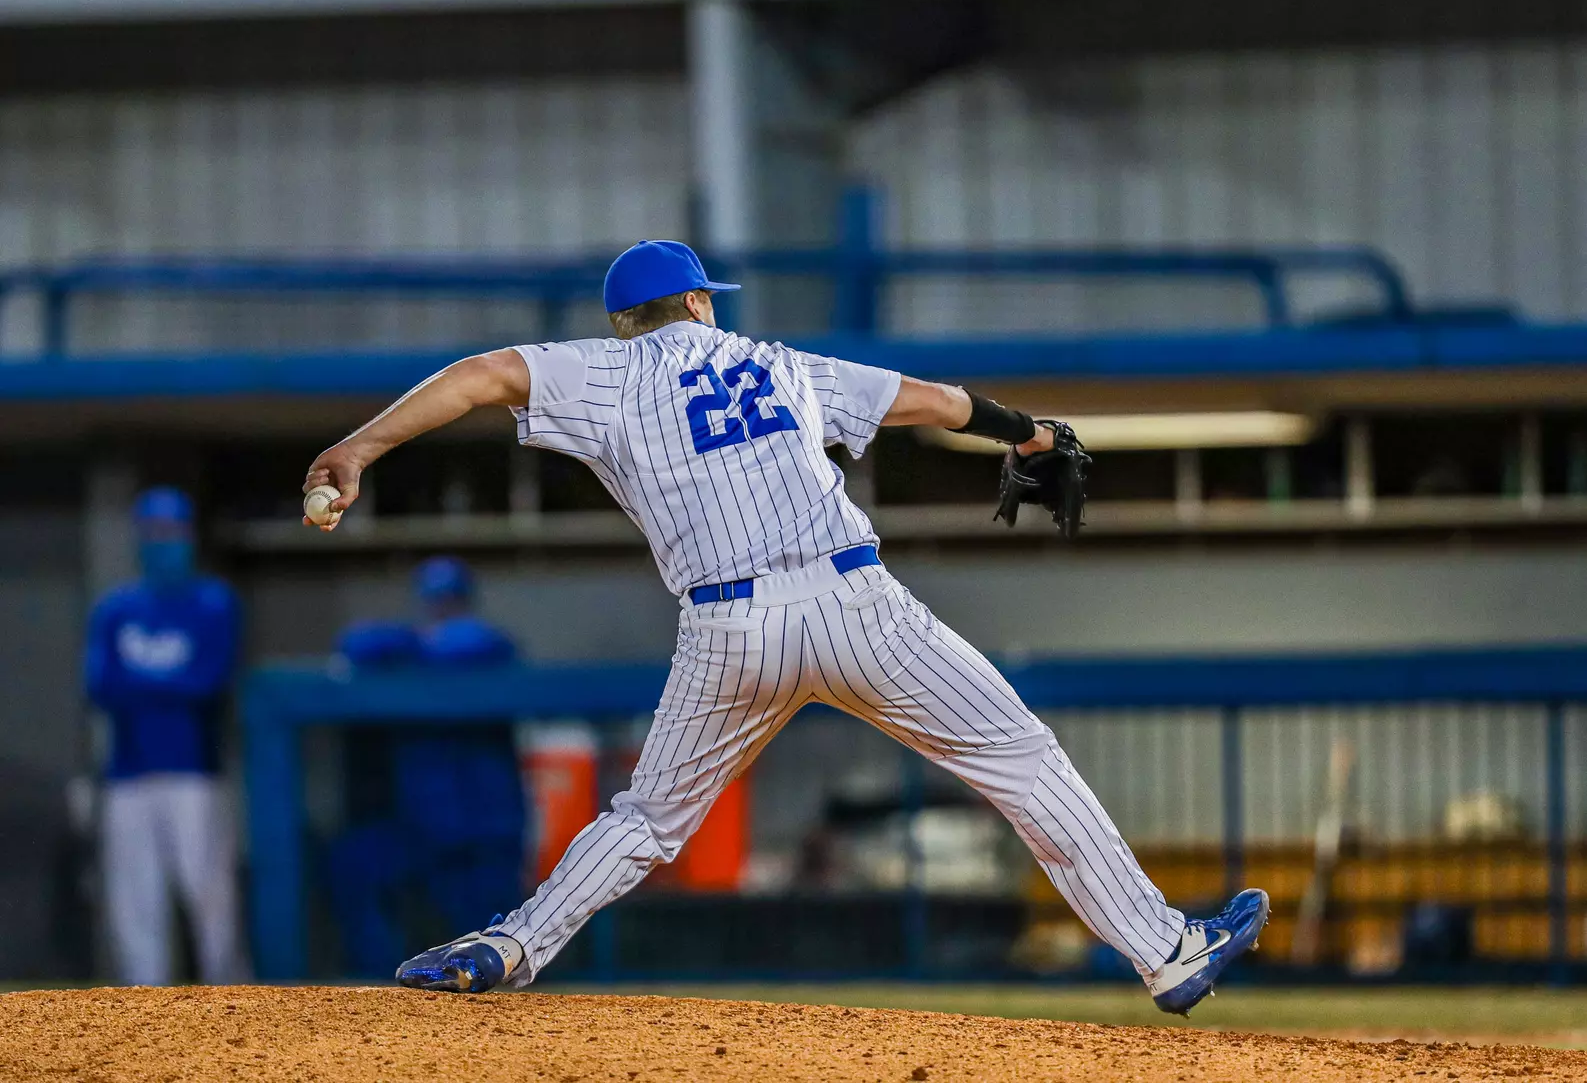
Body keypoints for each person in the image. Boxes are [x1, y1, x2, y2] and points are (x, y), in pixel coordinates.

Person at [301, 240, 1267, 1014]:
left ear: (621, 320)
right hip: (857, 606)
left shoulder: (598, 373)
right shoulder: (781, 364)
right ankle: (1165, 953)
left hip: (728, 628)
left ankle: (510, 944)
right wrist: (1026, 432)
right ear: (695, 304)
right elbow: (931, 403)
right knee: (1021, 762)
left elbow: (477, 376)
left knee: (646, 819)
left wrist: (355, 445)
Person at [327, 556, 526, 977]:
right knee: (354, 866)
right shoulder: (411, 651)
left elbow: (467, 643)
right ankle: (378, 983)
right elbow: (352, 643)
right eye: (436, 601)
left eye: (451, 601)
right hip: (421, 830)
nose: (443, 610)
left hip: (485, 835)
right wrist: (410, 644)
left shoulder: (486, 647)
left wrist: (409, 646)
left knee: (492, 927)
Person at [84, 486, 245, 986]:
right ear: (138, 538)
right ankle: (142, 1010)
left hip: (194, 771)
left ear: (189, 537)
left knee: (210, 895)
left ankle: (234, 999)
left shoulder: (213, 602)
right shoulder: (115, 609)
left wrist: (143, 685)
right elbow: (100, 686)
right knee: (134, 901)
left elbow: (210, 682)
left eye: (173, 530)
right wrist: (168, 686)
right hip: (128, 773)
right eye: (153, 532)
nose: (164, 541)